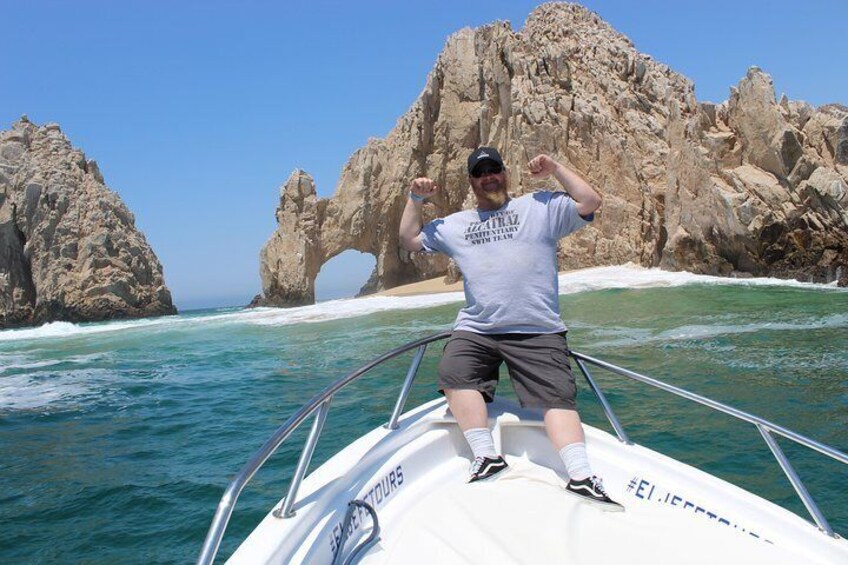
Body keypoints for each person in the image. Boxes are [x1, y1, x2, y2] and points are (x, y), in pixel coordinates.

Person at [398, 146, 622, 511]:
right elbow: (409, 239)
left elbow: (590, 201)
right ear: (472, 182)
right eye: (481, 173)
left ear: (505, 172)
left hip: (537, 328)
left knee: (556, 395)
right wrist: (415, 198)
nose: (489, 177)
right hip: (478, 328)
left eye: (495, 169)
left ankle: (581, 476)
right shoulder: (456, 224)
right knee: (453, 372)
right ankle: (487, 457)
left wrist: (554, 168)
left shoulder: (540, 207)